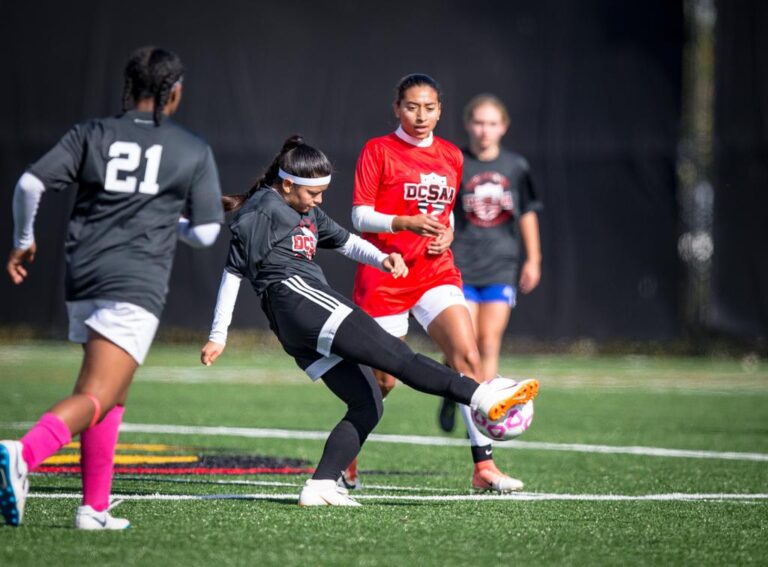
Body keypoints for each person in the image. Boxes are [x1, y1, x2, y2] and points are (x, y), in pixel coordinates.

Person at [199, 135, 539, 507]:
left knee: (368, 402)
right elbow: (233, 272)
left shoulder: (304, 209)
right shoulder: (262, 210)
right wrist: (219, 335)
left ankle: (322, 485)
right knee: (398, 357)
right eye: (314, 192)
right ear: (287, 184)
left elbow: (346, 241)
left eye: (323, 191)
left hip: (295, 323)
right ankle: (484, 396)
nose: (320, 199)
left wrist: (383, 260)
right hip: (301, 303)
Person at [0, 46, 224, 529]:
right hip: (135, 282)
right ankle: (23, 453)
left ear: (130, 86)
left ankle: (94, 508)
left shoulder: (92, 132)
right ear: (176, 91)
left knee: (111, 390)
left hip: (82, 276)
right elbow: (206, 234)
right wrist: (174, 221)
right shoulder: (191, 149)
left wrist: (23, 241)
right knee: (100, 392)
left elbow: (29, 186)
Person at [346, 74, 527, 493]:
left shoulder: (450, 155)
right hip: (384, 273)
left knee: (468, 357)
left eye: (429, 108)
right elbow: (359, 216)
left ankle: (483, 467)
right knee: (382, 382)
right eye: (412, 106)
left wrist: (446, 232)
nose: (421, 115)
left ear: (440, 110)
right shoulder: (379, 150)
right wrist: (405, 222)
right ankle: (348, 453)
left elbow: (443, 213)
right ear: (397, 108)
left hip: (434, 270)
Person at [437, 94, 542, 432]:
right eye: (479, 123)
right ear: (468, 124)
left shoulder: (516, 166)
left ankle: (485, 412)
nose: (485, 130)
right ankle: (457, 392)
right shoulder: (455, 163)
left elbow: (526, 213)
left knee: (488, 341)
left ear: (504, 127)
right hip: (461, 263)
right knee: (464, 344)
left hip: (501, 264)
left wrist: (533, 259)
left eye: (492, 123)